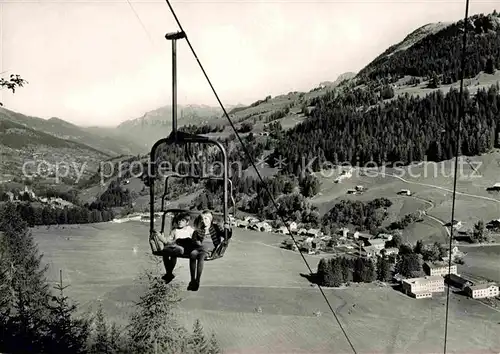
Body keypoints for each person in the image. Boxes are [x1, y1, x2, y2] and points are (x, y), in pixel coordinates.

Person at [187, 210, 226, 291]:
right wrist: (197, 242)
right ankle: (192, 279)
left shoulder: (216, 228)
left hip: (209, 249)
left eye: (206, 219)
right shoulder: (199, 230)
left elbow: (225, 235)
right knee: (192, 254)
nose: (204, 221)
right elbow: (194, 239)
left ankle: (197, 280)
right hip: (200, 248)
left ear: (210, 219)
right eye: (202, 219)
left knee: (201, 256)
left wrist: (227, 228)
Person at [156, 212, 194, 283]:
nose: (180, 222)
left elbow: (195, 239)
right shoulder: (175, 231)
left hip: (184, 248)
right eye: (179, 220)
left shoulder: (190, 230)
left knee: (175, 252)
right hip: (174, 246)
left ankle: (169, 274)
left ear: (187, 222)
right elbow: (168, 241)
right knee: (165, 252)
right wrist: (160, 236)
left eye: (182, 220)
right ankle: (169, 273)